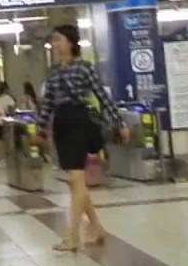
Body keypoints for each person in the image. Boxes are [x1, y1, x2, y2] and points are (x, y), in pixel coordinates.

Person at [42, 24, 128, 253]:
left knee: (76, 180)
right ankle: (97, 228)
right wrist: (40, 129)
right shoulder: (53, 71)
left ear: (70, 42)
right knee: (74, 182)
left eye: (58, 39)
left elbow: (102, 96)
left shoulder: (84, 68)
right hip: (61, 124)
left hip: (80, 121)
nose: (55, 44)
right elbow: (48, 103)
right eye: (54, 40)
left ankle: (72, 238)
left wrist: (119, 124)